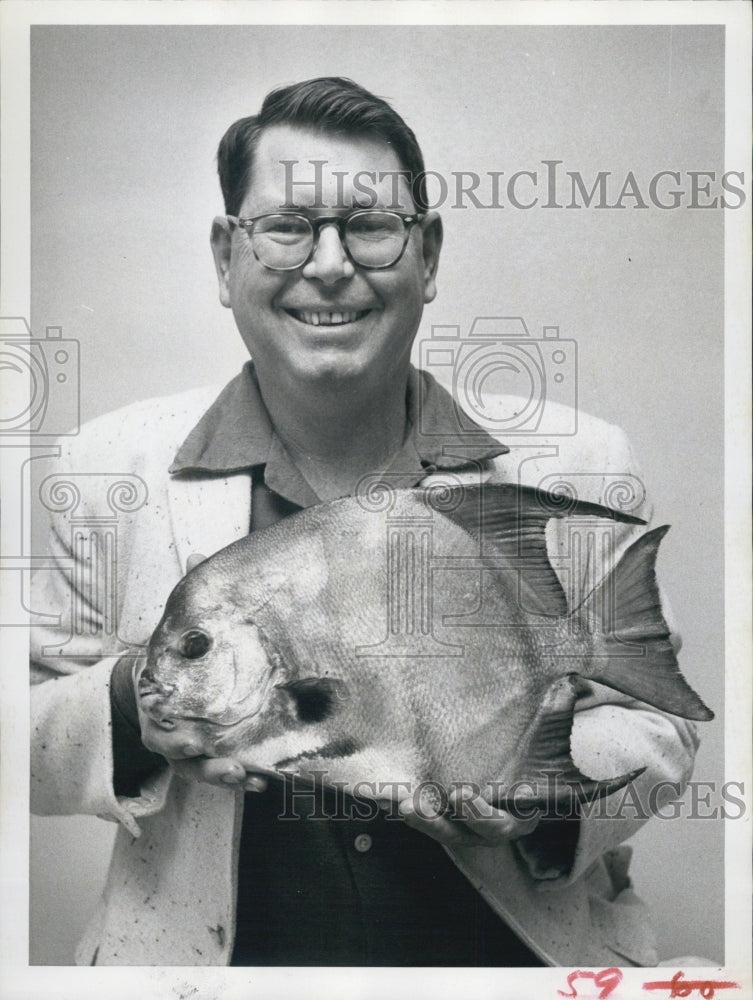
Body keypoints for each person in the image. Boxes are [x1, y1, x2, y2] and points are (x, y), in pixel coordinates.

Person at [30, 77, 698, 967]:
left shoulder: (574, 464)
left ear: (426, 253)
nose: (330, 264)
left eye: (370, 226)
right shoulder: (108, 466)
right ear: (226, 257)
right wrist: (131, 706)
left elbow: (655, 730)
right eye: (288, 227)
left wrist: (543, 793)